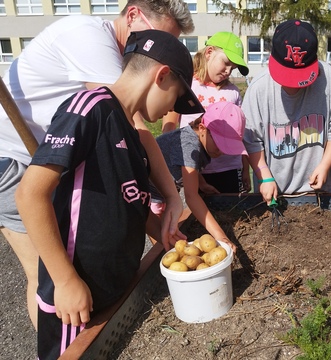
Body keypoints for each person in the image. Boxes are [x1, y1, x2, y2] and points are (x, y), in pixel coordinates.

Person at [0, 0, 194, 329]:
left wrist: (167, 203)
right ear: (133, 16)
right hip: (15, 160)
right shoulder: (91, 68)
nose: (173, 111)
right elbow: (30, 196)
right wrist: (63, 281)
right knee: (46, 272)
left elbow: (132, 155)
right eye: (176, 99)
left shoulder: (118, 113)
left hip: (62, 164)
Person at [242, 19, 331, 203]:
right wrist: (264, 175)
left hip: (321, 193)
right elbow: (252, 140)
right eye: (287, 77)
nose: (294, 86)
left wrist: (325, 165)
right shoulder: (259, 89)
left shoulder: (329, 80)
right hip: (276, 192)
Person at [151, 101, 248, 253]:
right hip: (150, 192)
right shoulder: (190, 144)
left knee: (170, 231)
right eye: (220, 144)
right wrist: (221, 237)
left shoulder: (198, 140)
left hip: (166, 189)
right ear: (202, 129)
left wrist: (201, 184)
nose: (222, 151)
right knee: (164, 240)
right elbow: (191, 196)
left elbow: (190, 168)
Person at [162, 31, 251, 194]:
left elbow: (240, 134)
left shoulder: (234, 93)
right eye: (226, 63)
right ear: (209, 52)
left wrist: (245, 169)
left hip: (230, 168)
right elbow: (169, 128)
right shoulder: (186, 86)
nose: (228, 71)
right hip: (194, 169)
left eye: (234, 68)